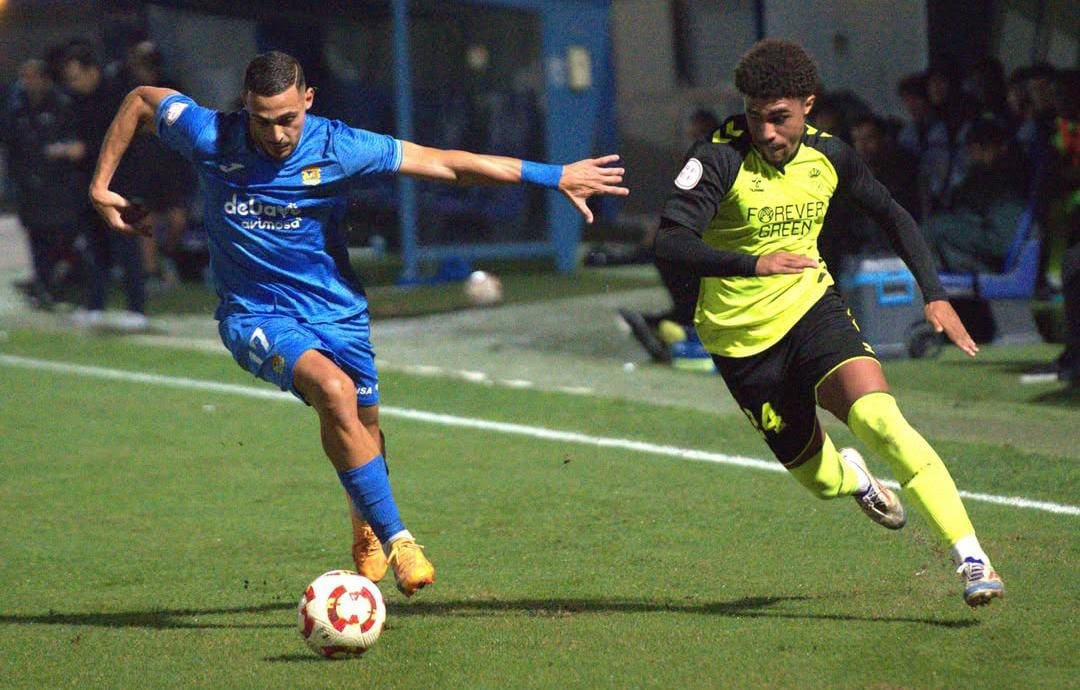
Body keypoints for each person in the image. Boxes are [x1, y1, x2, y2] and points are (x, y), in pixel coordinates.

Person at [88, 51, 627, 597]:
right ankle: (400, 539)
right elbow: (139, 100)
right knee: (334, 390)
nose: (276, 134)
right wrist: (100, 185)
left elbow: (447, 164)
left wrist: (553, 174)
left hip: (337, 310)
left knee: (364, 424)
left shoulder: (341, 146)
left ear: (307, 100)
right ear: (244, 108)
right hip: (255, 313)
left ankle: (364, 523)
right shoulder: (209, 134)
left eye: (287, 119)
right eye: (262, 120)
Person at [653, 39, 1004, 607]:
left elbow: (892, 213)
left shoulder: (830, 155)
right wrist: (752, 263)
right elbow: (669, 242)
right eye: (755, 117)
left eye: (780, 118)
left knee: (883, 420)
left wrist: (934, 295)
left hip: (813, 312)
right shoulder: (716, 158)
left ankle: (972, 558)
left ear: (807, 106)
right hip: (742, 344)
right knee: (819, 482)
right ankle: (858, 480)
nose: (767, 132)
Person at [62, 42, 149, 330]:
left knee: (126, 246)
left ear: (91, 71)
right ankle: (95, 306)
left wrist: (83, 149)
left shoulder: (117, 97)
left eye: (76, 77)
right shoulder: (76, 101)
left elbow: (121, 141)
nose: (73, 84)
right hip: (90, 184)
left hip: (119, 185)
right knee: (95, 248)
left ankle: (137, 310)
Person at [0, 59, 83, 309]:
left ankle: (63, 281)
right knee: (36, 236)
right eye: (25, 77)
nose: (28, 83)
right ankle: (43, 284)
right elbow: (11, 141)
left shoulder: (61, 104)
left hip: (57, 182)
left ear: (45, 79)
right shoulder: (17, 107)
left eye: (33, 77)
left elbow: (75, 139)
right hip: (28, 182)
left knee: (62, 234)